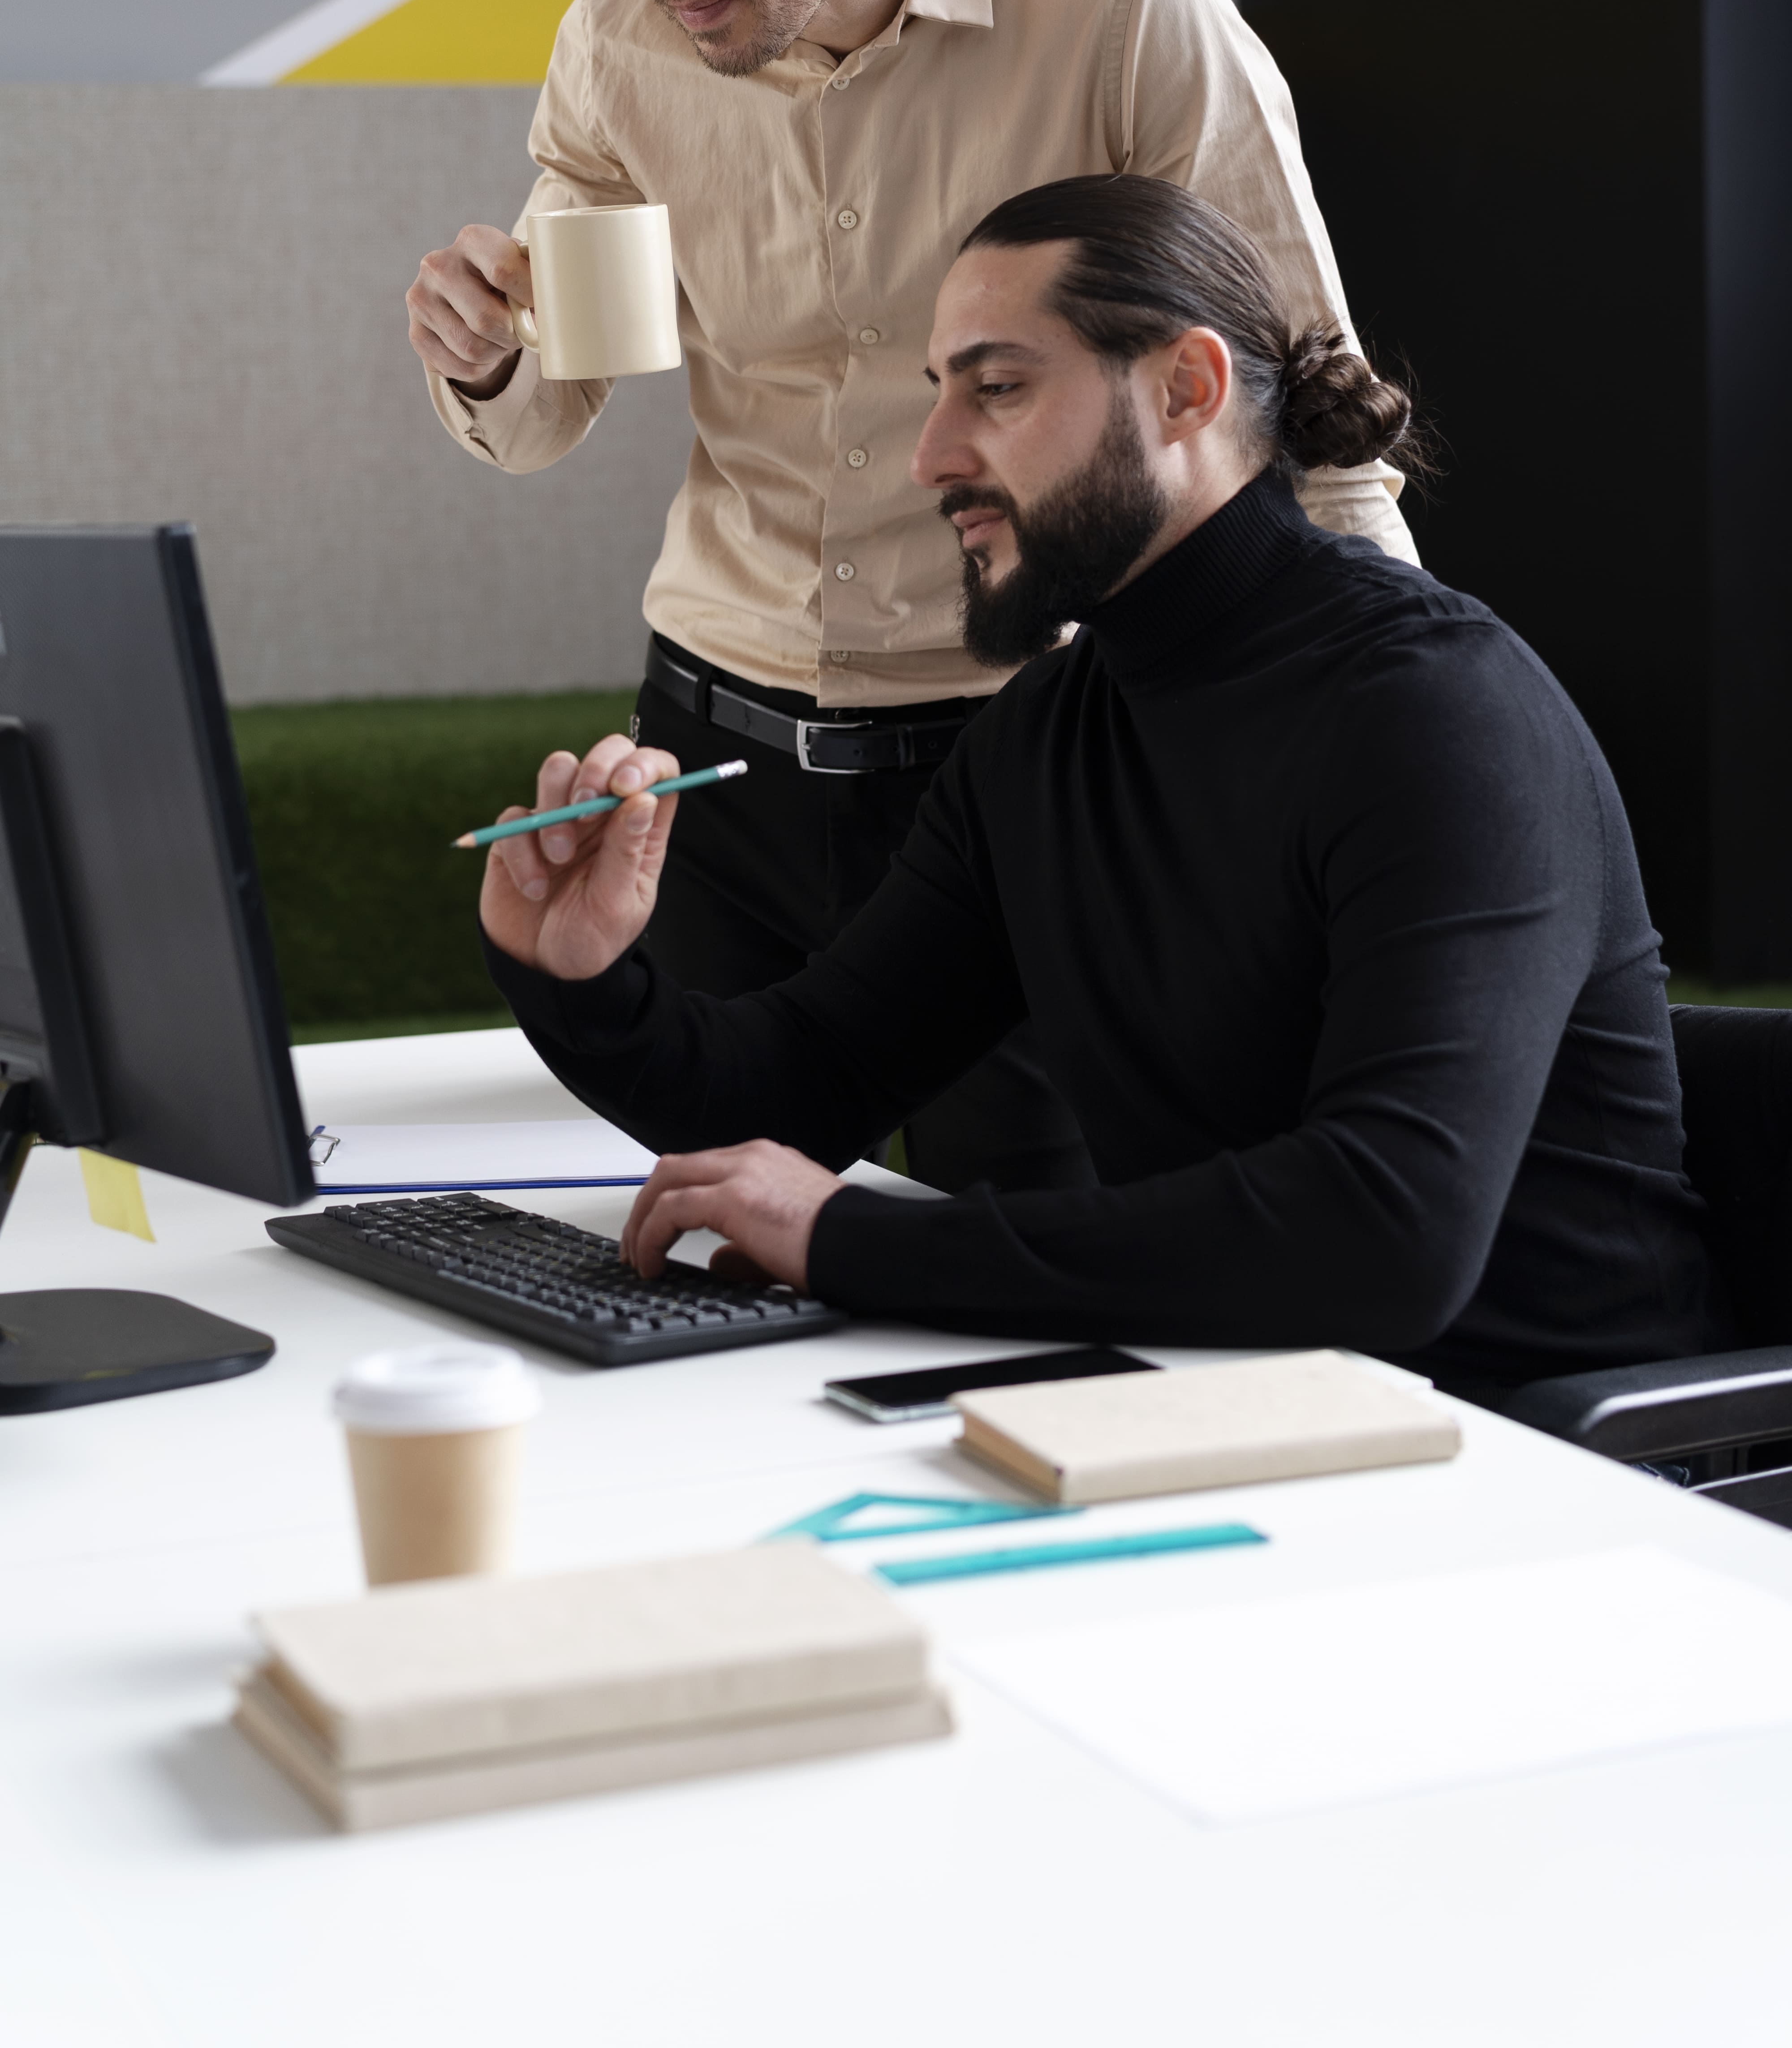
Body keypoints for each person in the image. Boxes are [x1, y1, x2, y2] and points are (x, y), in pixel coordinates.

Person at [407, 0, 1418, 1196]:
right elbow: (549, 407)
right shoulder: (618, 40)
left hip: (1027, 763)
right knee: (700, 1257)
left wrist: (1414, 758)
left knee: (1025, 1274)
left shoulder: (1123, 7)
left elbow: (1313, 422)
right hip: (713, 766)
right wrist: (492, 357)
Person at [474, 175, 1722, 1403]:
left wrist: (853, 1240)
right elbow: (805, 1081)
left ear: (1186, 390)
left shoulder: (1441, 713)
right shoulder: (1044, 736)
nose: (931, 457)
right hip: (1234, 1401)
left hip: (1547, 1459)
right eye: (937, 392)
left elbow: (1385, 1236)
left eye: (998, 388)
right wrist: (582, 980)